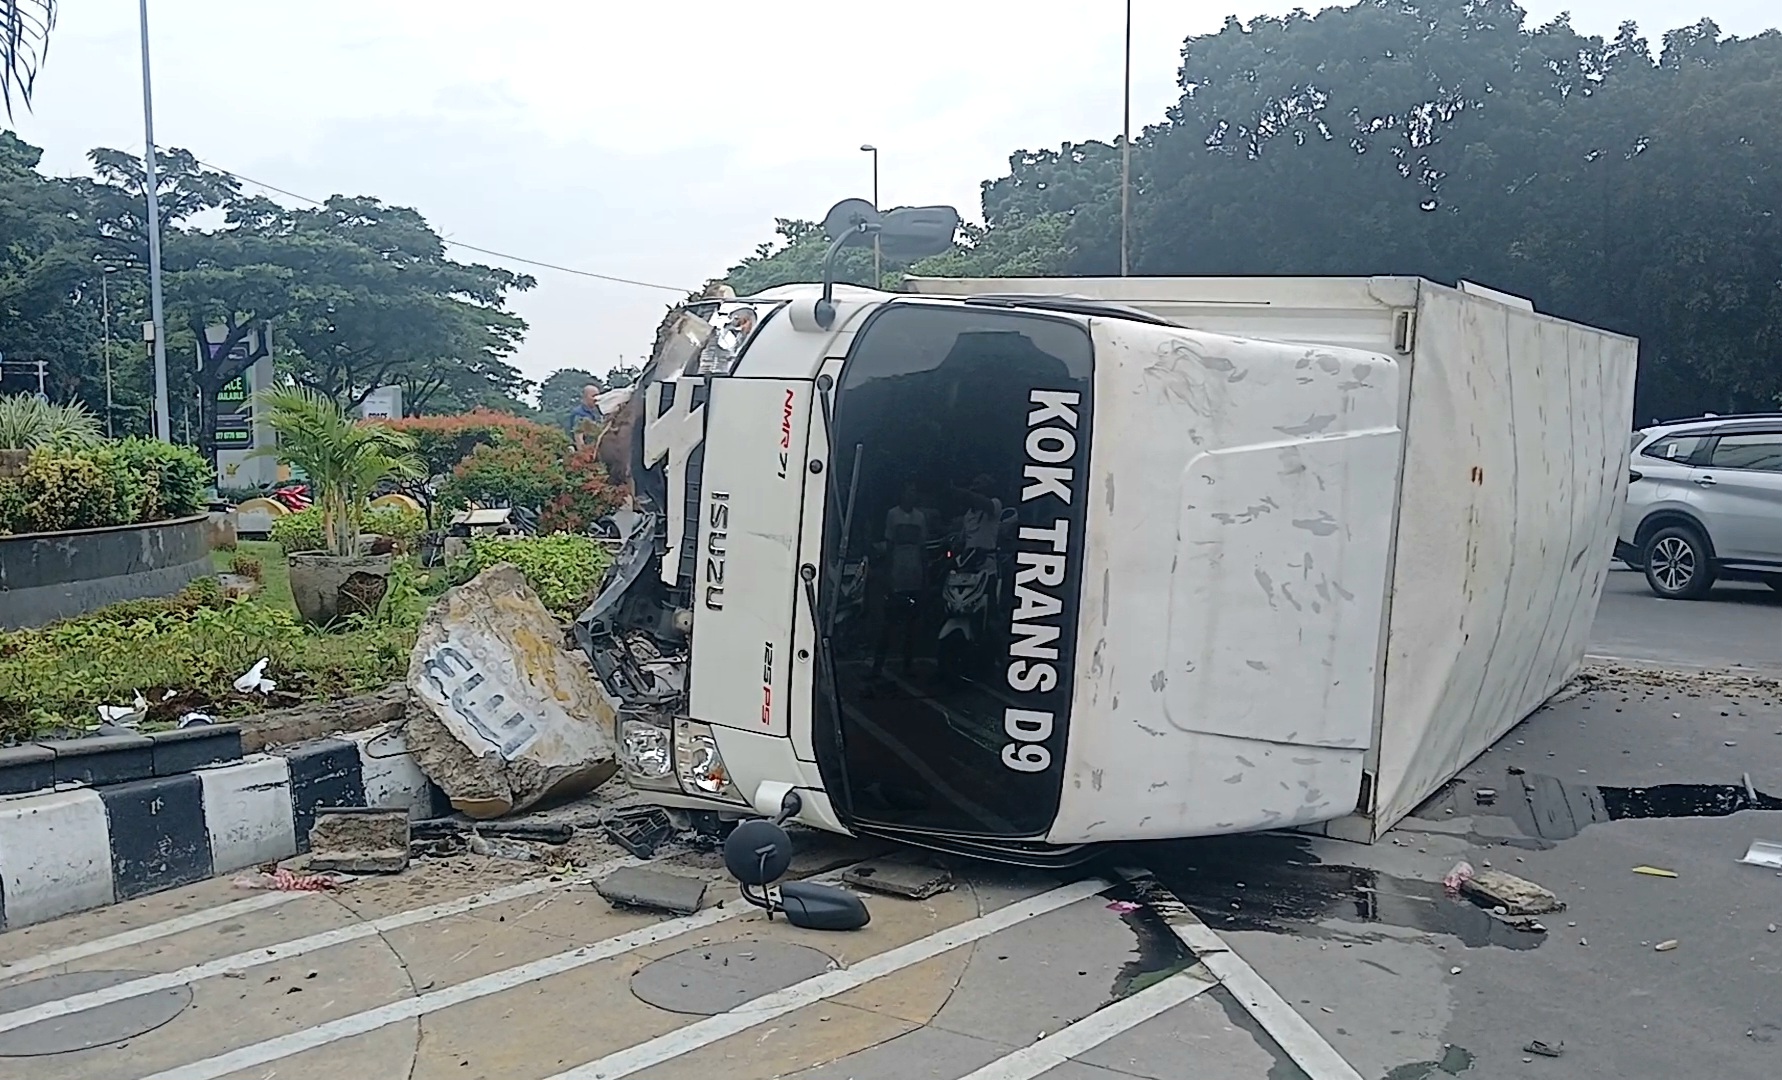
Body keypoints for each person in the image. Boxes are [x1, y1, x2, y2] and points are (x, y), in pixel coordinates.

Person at [873, 481, 928, 676]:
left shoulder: (920, 517)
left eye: (914, 492)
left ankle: (907, 665)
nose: (911, 495)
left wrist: (924, 575)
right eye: (908, 491)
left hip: (914, 573)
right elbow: (889, 545)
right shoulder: (893, 515)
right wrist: (887, 574)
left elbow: (923, 547)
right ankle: (878, 665)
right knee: (889, 623)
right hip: (897, 572)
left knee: (911, 624)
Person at [568, 384, 604, 451]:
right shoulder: (579, 413)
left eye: (598, 396)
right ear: (585, 397)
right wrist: (584, 454)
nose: (596, 399)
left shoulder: (598, 413)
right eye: (594, 396)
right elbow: (578, 437)